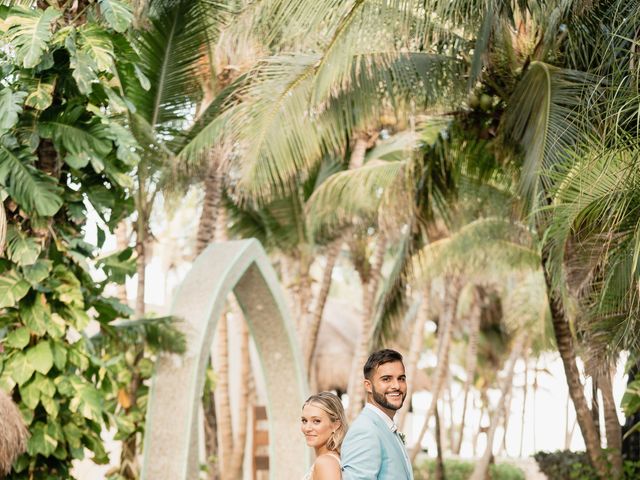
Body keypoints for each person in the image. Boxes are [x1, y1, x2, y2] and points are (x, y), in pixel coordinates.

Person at [341, 349, 413, 480]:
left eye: (401, 378)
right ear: (368, 386)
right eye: (386, 379)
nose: (396, 385)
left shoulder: (384, 427)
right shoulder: (365, 431)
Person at [301, 391, 348, 480]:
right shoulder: (328, 460)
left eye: (316, 421)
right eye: (304, 420)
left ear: (336, 425)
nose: (307, 428)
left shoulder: (326, 463)